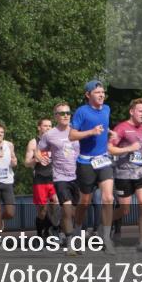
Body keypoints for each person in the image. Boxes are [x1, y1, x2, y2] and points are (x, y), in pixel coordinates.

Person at [69, 80, 117, 254]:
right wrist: (90, 132)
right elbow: (72, 135)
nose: (101, 95)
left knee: (108, 198)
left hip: (103, 160)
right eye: (97, 92)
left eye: (103, 92)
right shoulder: (82, 112)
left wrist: (110, 132)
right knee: (85, 202)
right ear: (88, 95)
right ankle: (76, 234)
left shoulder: (107, 109)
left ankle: (106, 238)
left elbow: (102, 124)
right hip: (85, 162)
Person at [110, 97, 142, 253]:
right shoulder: (121, 128)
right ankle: (104, 225)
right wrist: (128, 149)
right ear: (131, 111)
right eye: (140, 111)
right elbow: (110, 149)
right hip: (123, 174)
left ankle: (141, 242)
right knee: (124, 210)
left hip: (141, 172)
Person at [39, 102, 83, 254]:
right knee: (66, 207)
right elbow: (38, 150)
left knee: (75, 212)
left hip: (78, 176)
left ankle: (64, 231)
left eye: (68, 113)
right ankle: (70, 245)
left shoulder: (77, 131)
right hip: (60, 177)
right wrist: (41, 158)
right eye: (62, 113)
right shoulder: (49, 135)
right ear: (56, 116)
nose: (65, 115)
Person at [25, 117, 58, 240]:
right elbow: (26, 163)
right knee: (42, 210)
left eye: (50, 126)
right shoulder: (34, 142)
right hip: (40, 179)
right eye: (45, 126)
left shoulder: (54, 142)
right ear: (39, 127)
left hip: (54, 177)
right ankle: (40, 233)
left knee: (56, 203)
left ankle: (53, 228)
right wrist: (35, 159)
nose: (48, 128)